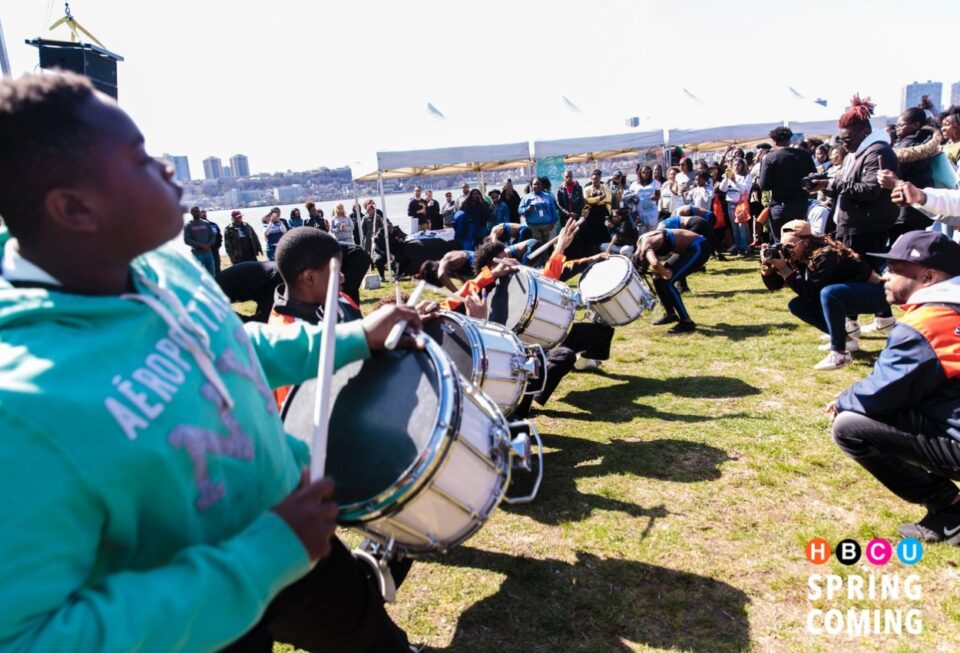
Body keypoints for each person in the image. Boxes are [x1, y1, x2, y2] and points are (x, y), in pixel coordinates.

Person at [0, 71, 422, 652]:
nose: (168, 168)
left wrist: (351, 340)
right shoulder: (22, 408)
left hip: (295, 536)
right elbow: (34, 637)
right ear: (75, 207)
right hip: (197, 625)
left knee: (375, 640)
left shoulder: (163, 267)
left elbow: (230, 349)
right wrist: (261, 556)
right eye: (141, 159)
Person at [829, 230, 960, 544]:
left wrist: (842, 400)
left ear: (927, 276)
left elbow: (879, 393)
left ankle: (951, 509)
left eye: (896, 268)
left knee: (849, 426)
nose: (885, 276)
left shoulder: (928, 323)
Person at [810, 95, 899, 334]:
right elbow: (848, 187)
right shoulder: (858, 153)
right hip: (851, 226)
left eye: (847, 138)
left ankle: (849, 328)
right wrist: (826, 185)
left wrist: (834, 183)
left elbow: (870, 191)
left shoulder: (878, 152)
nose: (843, 143)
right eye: (841, 138)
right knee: (863, 275)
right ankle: (879, 319)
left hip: (865, 229)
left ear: (864, 131)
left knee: (856, 277)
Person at [760, 220, 888, 370]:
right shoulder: (800, 254)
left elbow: (810, 292)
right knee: (797, 305)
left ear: (806, 241)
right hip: (848, 297)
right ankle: (846, 341)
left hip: (876, 294)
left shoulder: (825, 255)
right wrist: (767, 267)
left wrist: (785, 270)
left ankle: (839, 353)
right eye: (784, 246)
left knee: (829, 293)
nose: (787, 251)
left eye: (790, 246)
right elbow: (774, 286)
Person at [635, 227, 710, 333]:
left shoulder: (646, 248)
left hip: (699, 248)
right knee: (657, 278)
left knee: (667, 282)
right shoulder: (640, 242)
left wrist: (666, 273)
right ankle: (671, 314)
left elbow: (655, 264)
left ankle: (686, 321)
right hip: (687, 249)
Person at [758, 126, 817, 243]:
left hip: (780, 206)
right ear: (790, 139)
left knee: (779, 242)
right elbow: (814, 178)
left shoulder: (769, 158)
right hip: (801, 205)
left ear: (774, 141)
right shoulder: (805, 155)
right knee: (799, 241)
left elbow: (763, 185)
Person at [216, 260, 283, 323]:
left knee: (266, 319)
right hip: (227, 287)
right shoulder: (280, 276)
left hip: (258, 282)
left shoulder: (279, 275)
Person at [718, 158, 753, 255]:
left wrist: (734, 181)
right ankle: (737, 246)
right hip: (730, 204)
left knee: (742, 227)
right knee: (734, 227)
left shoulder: (746, 176)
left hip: (740, 204)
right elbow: (722, 189)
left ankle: (745, 247)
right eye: (735, 165)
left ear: (742, 166)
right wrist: (726, 178)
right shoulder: (730, 176)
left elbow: (744, 191)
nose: (736, 167)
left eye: (739, 165)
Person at [518, 176, 560, 244]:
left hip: (547, 226)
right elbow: (520, 210)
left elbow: (553, 210)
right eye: (535, 184)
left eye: (538, 184)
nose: (536, 186)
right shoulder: (526, 198)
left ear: (542, 185)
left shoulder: (548, 196)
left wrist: (553, 221)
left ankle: (547, 254)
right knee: (537, 245)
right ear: (531, 185)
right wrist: (527, 209)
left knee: (548, 245)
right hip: (533, 226)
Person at [625, 164, 661, 234]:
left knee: (652, 231)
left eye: (647, 172)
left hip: (651, 211)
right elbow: (630, 196)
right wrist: (634, 200)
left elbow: (658, 196)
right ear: (640, 173)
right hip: (639, 211)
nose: (645, 174)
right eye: (643, 172)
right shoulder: (635, 184)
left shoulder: (655, 183)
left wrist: (654, 198)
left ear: (650, 173)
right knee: (641, 231)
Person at [184, 205, 218, 274]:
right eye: (196, 212)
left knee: (212, 275)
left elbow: (212, 236)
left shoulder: (206, 223)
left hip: (208, 253)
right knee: (199, 275)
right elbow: (187, 240)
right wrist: (201, 245)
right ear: (192, 213)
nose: (198, 213)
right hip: (197, 254)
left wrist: (209, 244)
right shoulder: (189, 225)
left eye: (199, 211)